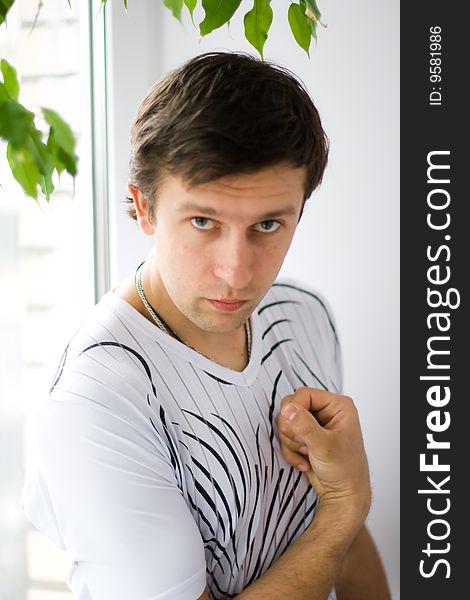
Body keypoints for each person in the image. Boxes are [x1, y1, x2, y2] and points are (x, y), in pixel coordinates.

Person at [21, 52, 390, 600]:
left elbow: (345, 545)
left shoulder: (302, 316)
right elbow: (340, 519)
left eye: (268, 224)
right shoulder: (96, 400)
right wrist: (346, 505)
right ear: (143, 209)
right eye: (203, 221)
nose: (236, 273)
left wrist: (342, 511)